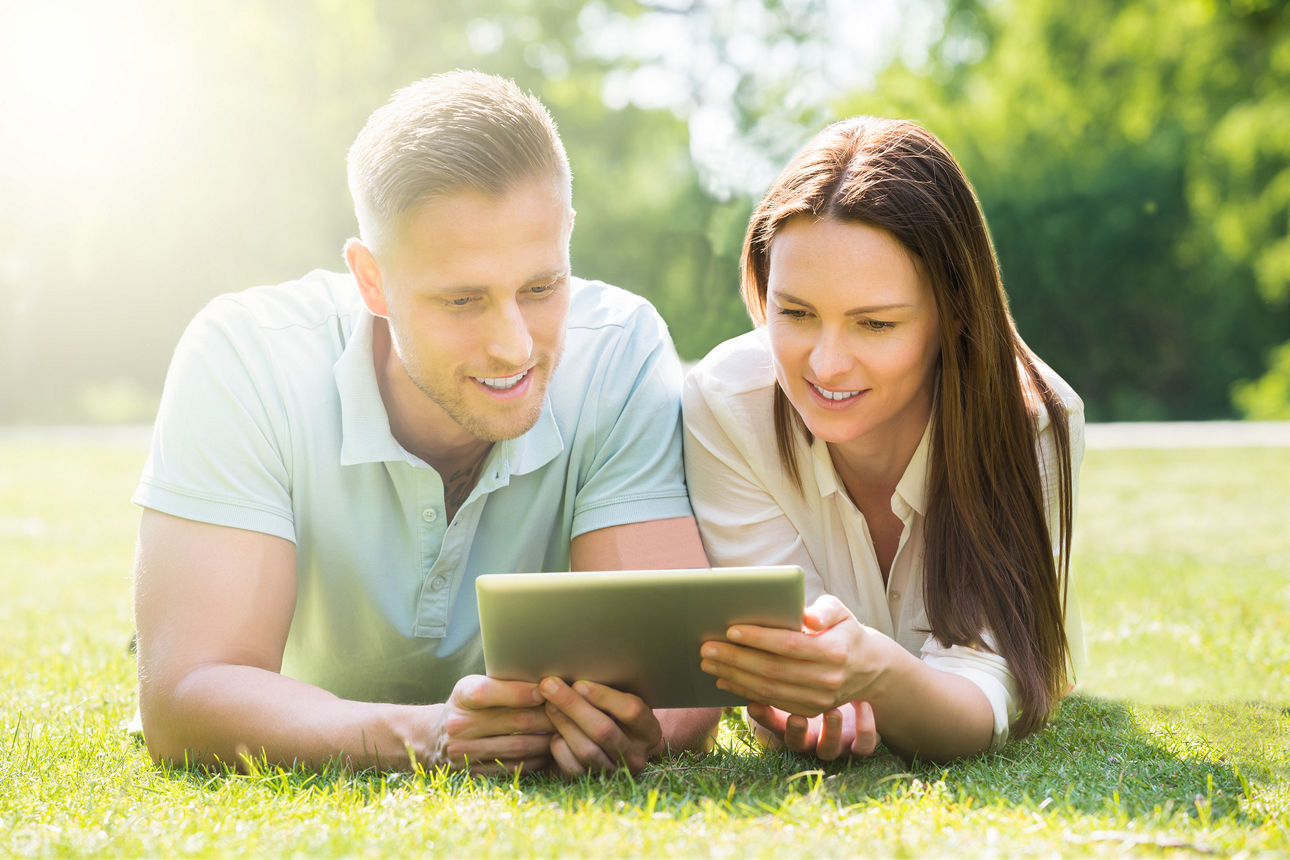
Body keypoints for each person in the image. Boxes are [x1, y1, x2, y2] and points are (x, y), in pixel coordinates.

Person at [131, 70, 720, 776]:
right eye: (463, 300)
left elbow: (676, 681)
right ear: (371, 281)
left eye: (541, 287)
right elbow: (186, 695)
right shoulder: (245, 354)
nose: (514, 346)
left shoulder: (621, 348)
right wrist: (429, 734)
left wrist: (638, 724)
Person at [682, 116, 1084, 763]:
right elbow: (783, 655)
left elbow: (985, 694)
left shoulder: (1031, 419)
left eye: (874, 323)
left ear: (954, 309)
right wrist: (794, 688)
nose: (826, 365)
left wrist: (880, 676)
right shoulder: (726, 405)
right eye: (795, 313)